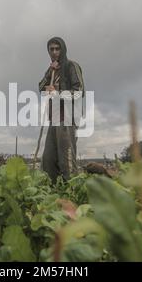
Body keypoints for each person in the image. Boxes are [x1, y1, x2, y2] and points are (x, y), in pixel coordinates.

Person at [38, 37, 84, 183]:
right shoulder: (52, 71)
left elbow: (79, 91)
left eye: (57, 48)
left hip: (67, 118)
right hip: (54, 119)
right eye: (51, 49)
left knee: (66, 161)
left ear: (62, 49)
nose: (54, 52)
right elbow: (40, 87)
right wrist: (49, 74)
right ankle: (53, 195)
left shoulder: (71, 66)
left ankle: (72, 194)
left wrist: (58, 93)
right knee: (48, 161)